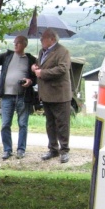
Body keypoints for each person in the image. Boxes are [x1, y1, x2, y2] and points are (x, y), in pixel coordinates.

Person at [0, 35, 37, 160]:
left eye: (19, 43)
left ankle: (21, 149)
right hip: (6, 96)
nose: (15, 45)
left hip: (23, 96)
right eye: (15, 42)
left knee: (22, 124)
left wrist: (30, 81)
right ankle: (7, 150)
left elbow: (36, 78)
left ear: (25, 45)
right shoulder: (7, 56)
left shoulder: (30, 59)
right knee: (5, 124)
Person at [32, 28, 72, 163]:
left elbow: (62, 68)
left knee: (62, 123)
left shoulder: (62, 51)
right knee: (50, 124)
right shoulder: (42, 51)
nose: (40, 40)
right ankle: (53, 149)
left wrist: (42, 73)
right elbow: (41, 66)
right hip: (46, 93)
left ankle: (64, 150)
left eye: (43, 38)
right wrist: (35, 68)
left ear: (52, 39)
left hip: (59, 94)